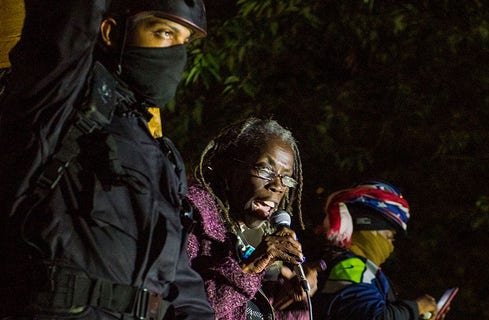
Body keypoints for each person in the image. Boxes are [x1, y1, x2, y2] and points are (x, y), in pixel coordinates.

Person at [0, 1, 215, 319]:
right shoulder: (59, 102)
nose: (176, 55)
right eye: (164, 33)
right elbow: (69, 19)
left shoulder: (165, 161)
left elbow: (180, 284)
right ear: (112, 32)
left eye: (183, 42)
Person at [186, 117, 321, 320]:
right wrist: (252, 267)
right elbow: (188, 309)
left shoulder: (248, 233)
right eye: (265, 170)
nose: (278, 186)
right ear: (230, 168)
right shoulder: (191, 219)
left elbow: (241, 311)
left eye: (286, 178)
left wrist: (288, 299)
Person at [311, 181, 441, 320]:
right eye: (389, 237)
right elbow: (375, 317)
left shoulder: (356, 266)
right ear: (367, 229)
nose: (391, 247)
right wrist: (417, 308)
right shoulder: (349, 266)